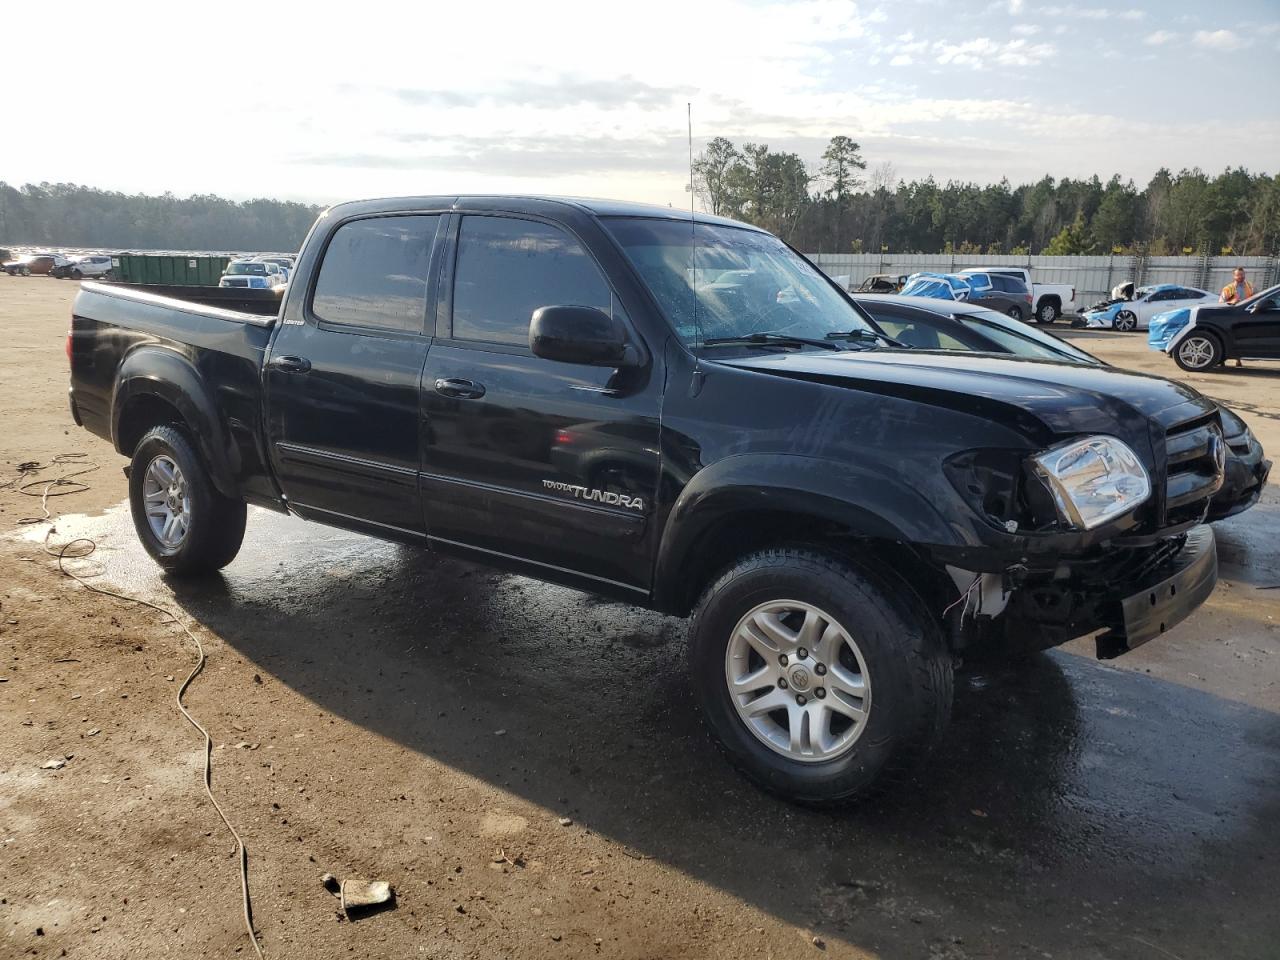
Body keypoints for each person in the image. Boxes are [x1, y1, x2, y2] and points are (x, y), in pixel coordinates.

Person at [1220, 267, 1255, 367]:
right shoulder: (1228, 288)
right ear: (1234, 276)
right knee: (1228, 338)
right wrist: (1232, 302)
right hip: (1231, 316)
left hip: (1246, 317)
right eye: (1238, 275)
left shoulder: (1251, 287)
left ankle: (1238, 359)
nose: (1241, 277)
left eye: (1242, 274)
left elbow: (1257, 299)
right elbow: (1221, 303)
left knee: (1240, 338)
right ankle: (1222, 359)